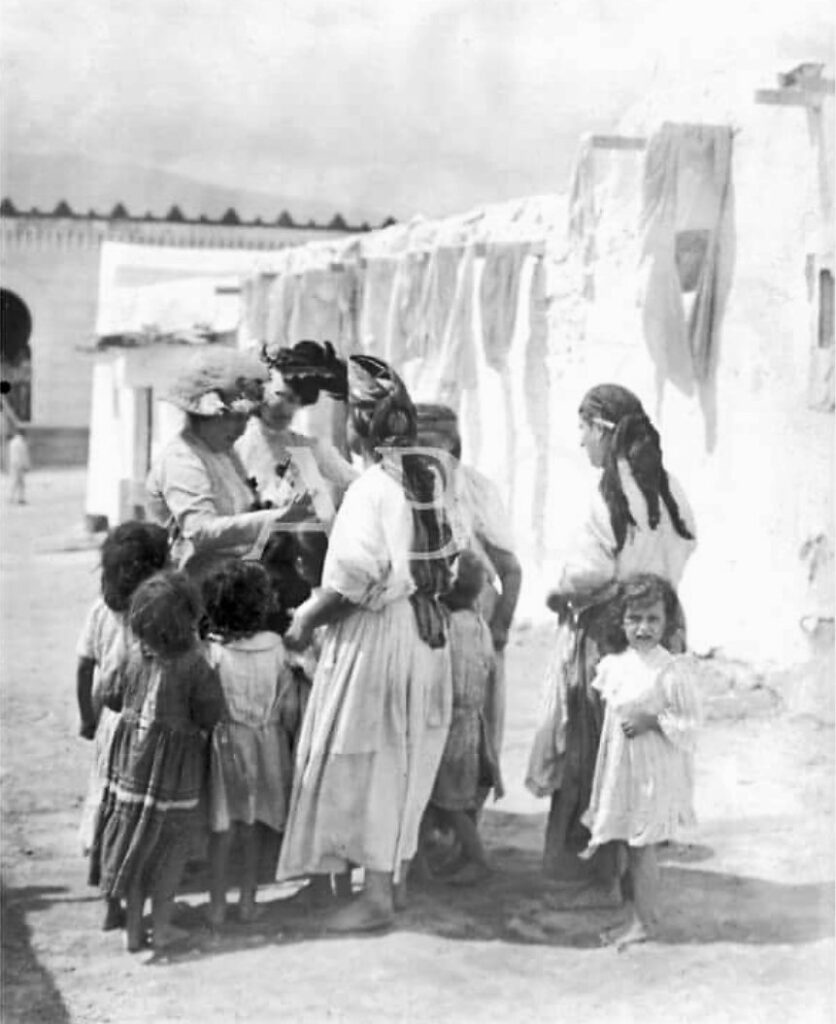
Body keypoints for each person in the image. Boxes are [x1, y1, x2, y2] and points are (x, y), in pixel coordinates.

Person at [279, 355, 455, 932]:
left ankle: (376, 895)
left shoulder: (373, 490)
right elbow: (445, 559)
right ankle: (390, 882)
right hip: (420, 632)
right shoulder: (426, 479)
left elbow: (352, 581)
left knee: (373, 760)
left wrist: (305, 619)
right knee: (402, 759)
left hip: (380, 638)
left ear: (359, 424)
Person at [526, 383, 697, 904]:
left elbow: (587, 572)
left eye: (583, 430)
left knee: (593, 745)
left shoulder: (610, 493)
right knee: (638, 747)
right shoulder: (668, 490)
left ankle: (593, 872)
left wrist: (561, 594)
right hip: (662, 628)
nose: (580, 442)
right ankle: (626, 868)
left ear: (602, 430)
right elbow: (686, 545)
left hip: (611, 633)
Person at [89, 571, 224, 951]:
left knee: (136, 843)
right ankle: (162, 925)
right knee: (171, 847)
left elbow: (111, 696)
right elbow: (210, 713)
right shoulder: (196, 665)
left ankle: (134, 928)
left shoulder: (133, 656)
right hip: (176, 769)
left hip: (131, 763)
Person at [580, 574, 701, 949]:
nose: (644, 628)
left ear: (667, 623)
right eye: (635, 619)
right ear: (621, 620)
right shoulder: (617, 664)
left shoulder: (670, 670)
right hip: (622, 770)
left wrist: (651, 720)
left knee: (642, 845)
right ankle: (636, 915)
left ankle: (646, 922)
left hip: (652, 770)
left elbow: (691, 724)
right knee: (626, 841)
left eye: (653, 619)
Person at [146, 348, 311, 582]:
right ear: (203, 413)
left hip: (234, 586)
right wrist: (278, 517)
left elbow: (246, 511)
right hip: (194, 591)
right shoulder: (182, 459)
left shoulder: (224, 452)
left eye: (246, 417)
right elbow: (200, 530)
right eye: (233, 417)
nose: (242, 428)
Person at [414, 403, 521, 761]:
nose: (426, 456)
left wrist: (500, 626)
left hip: (473, 625)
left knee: (474, 722)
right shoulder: (401, 490)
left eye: (435, 446)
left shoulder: (475, 490)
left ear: (454, 448)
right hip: (423, 628)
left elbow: (510, 569)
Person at [76, 521, 169, 930]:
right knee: (138, 811)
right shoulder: (161, 610)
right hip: (145, 724)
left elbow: (84, 667)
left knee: (108, 807)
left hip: (110, 722)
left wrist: (86, 716)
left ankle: (110, 899)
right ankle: (133, 902)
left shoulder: (101, 610)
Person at [201, 561, 296, 929]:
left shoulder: (213, 653)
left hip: (227, 744)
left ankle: (216, 905)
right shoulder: (276, 647)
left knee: (223, 827)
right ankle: (248, 900)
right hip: (267, 742)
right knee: (254, 826)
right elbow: (287, 700)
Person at [428, 550, 502, 886]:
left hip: (451, 724)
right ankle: (437, 860)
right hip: (472, 721)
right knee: (454, 797)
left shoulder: (448, 628)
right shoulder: (479, 625)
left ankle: (479, 858)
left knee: (450, 800)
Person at [237, 340, 358, 526]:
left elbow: (360, 481)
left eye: (295, 402)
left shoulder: (307, 449)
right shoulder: (233, 443)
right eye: (281, 395)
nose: (285, 409)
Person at [7, 428, 30, 504]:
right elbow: (23, 455)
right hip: (19, 465)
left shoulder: (12, 442)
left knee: (14, 482)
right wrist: (26, 465)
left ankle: (11, 498)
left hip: (13, 464)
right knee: (21, 483)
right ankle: (20, 498)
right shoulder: (21, 443)